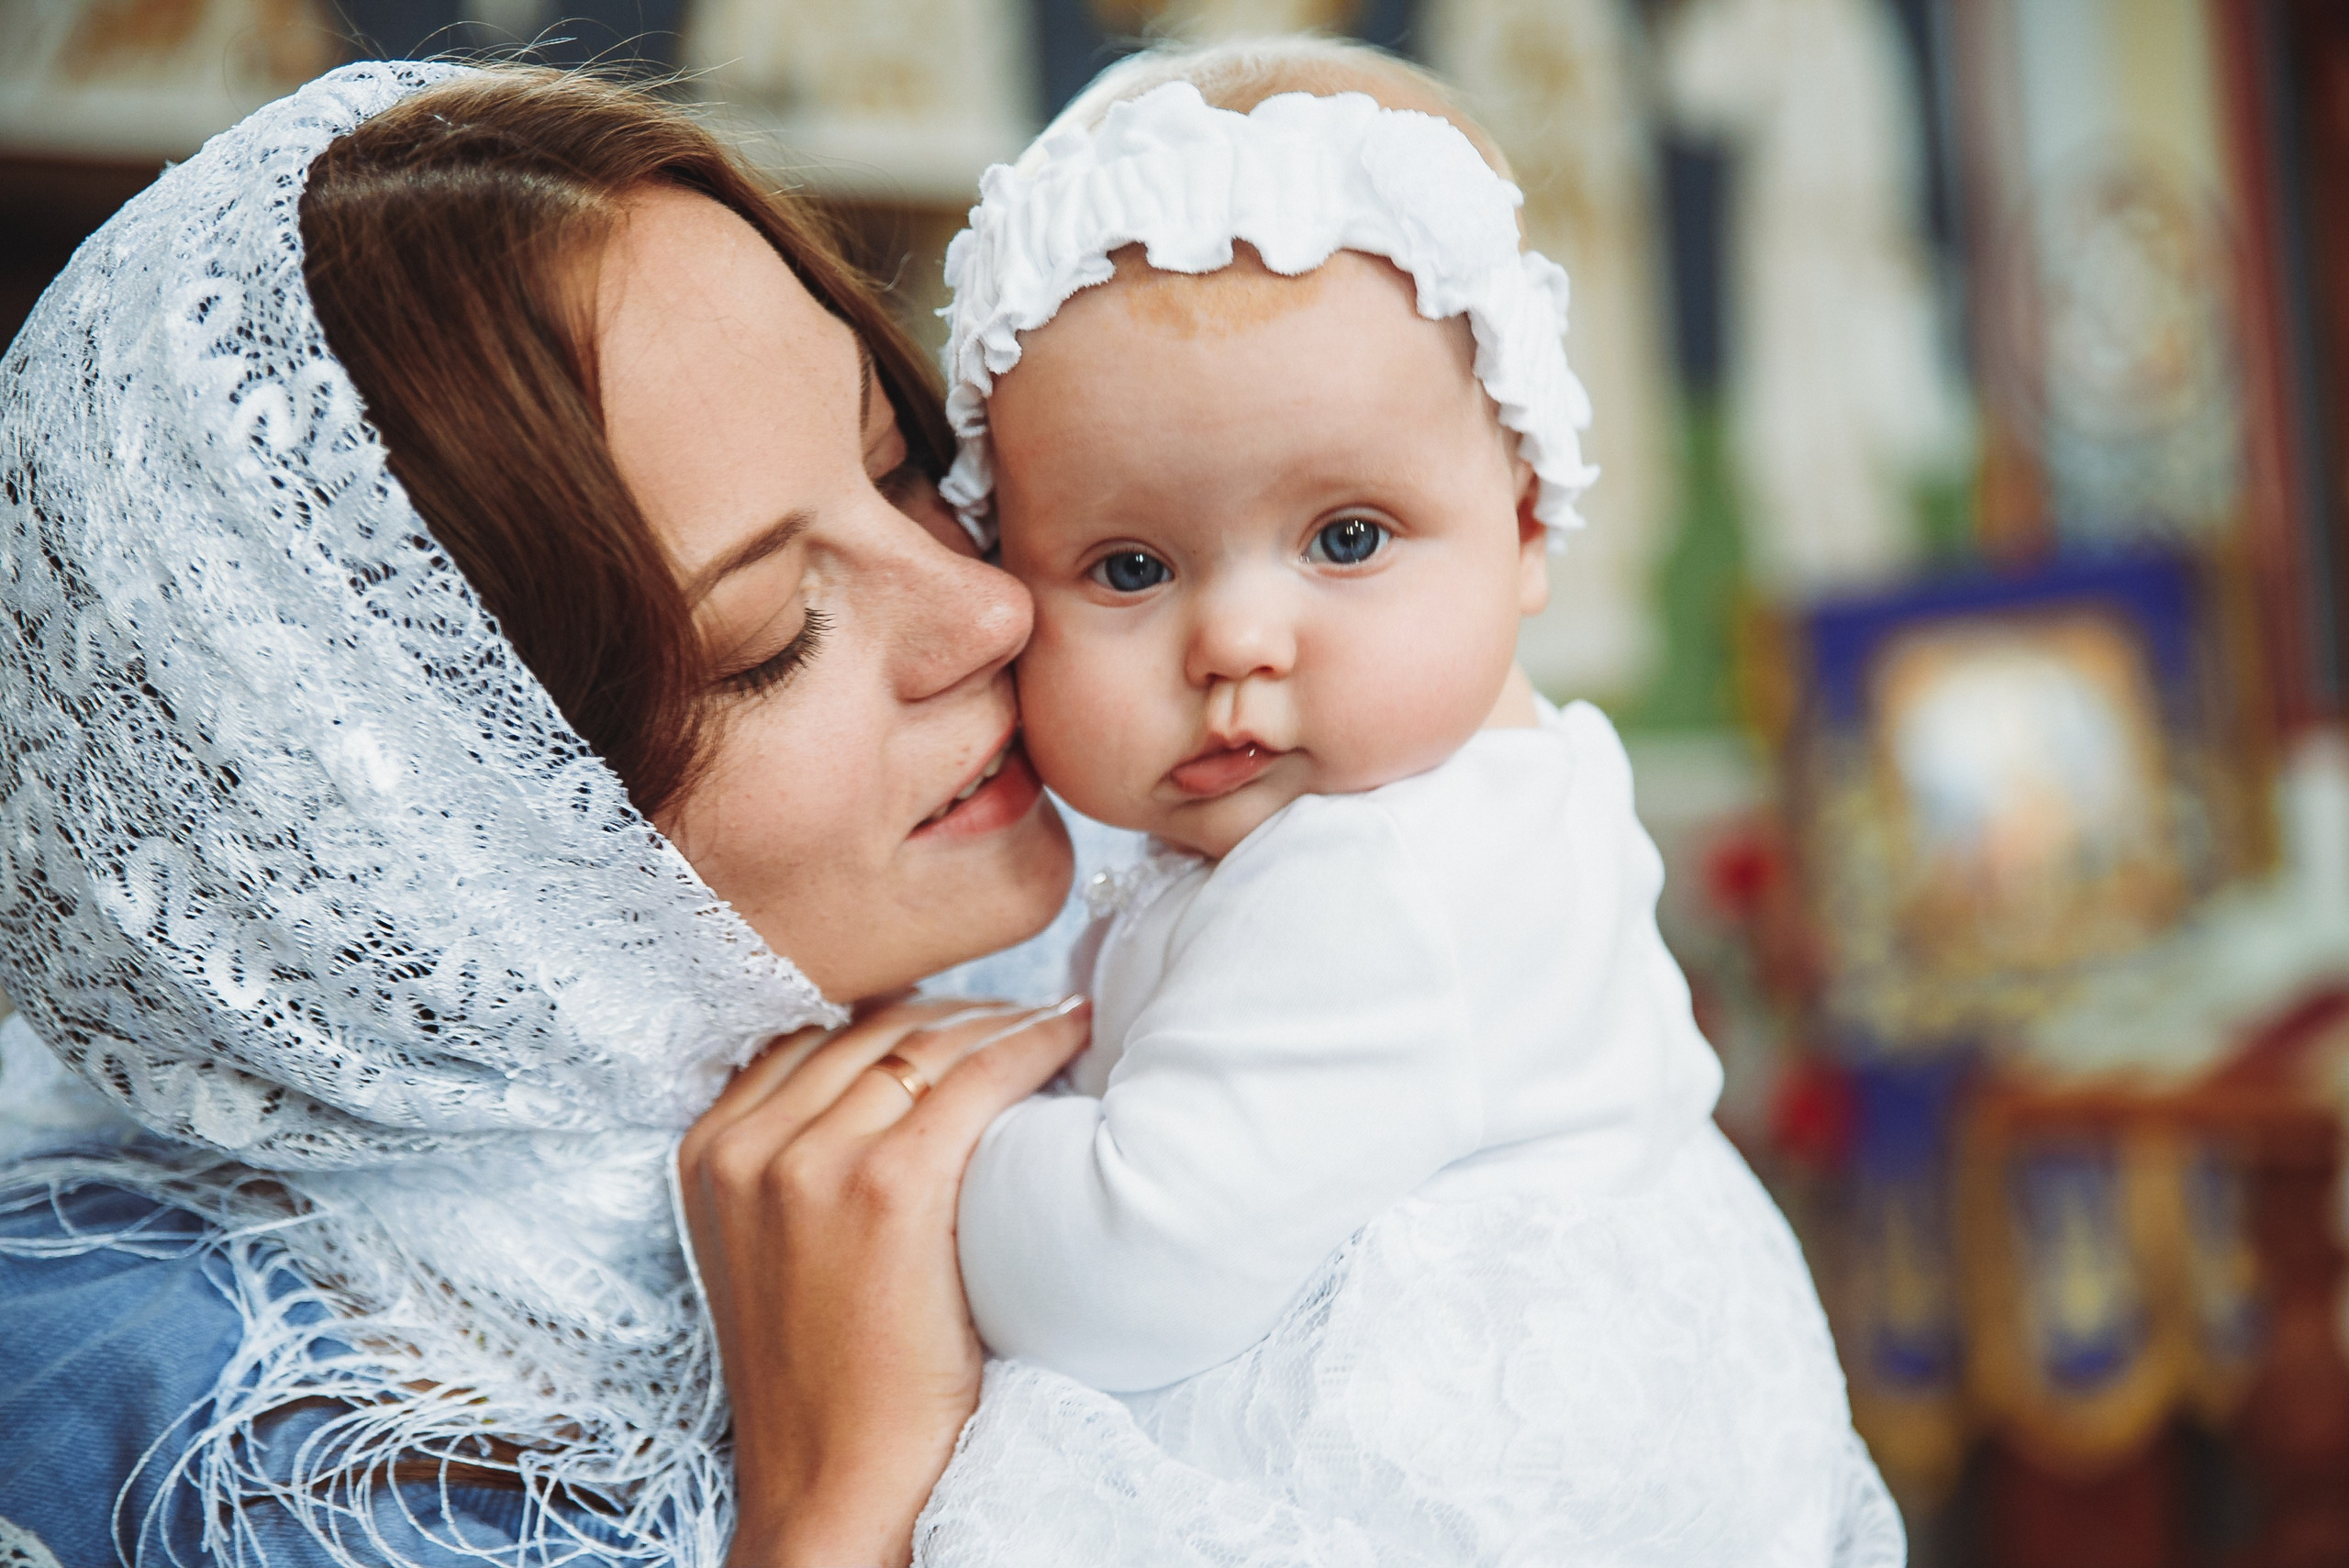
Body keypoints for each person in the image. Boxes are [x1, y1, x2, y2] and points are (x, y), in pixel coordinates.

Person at [938, 40, 1907, 1562]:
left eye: (1346, 536)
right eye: (1130, 567)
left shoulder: (1377, 879)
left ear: (1528, 521)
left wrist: (955, 1140)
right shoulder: (1473, 785)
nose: (1237, 640)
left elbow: (1122, 1270)